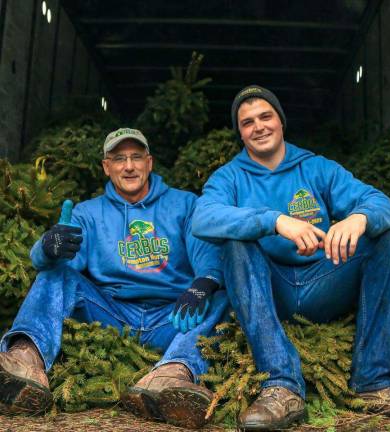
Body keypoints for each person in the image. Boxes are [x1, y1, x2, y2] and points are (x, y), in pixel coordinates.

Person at [192, 85, 390, 430]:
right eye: (247, 123)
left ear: (281, 121)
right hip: (272, 290)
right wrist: (274, 221)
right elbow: (204, 217)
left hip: (325, 281)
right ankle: (281, 384)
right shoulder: (229, 176)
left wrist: (357, 218)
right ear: (240, 133)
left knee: (388, 240)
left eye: (265, 116)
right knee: (235, 245)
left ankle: (374, 382)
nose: (258, 127)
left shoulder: (316, 168)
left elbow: (380, 202)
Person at [0, 128, 228, 429]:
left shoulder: (185, 204)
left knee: (221, 294)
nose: (129, 166)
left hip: (174, 316)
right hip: (112, 313)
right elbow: (60, 262)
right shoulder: (88, 213)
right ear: (107, 167)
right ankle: (25, 359)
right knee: (57, 273)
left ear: (150, 162)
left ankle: (173, 373)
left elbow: (207, 254)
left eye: (136, 157)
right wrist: (47, 248)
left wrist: (203, 283)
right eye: (119, 158)